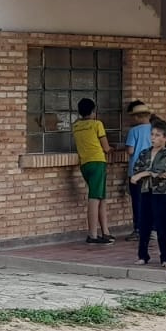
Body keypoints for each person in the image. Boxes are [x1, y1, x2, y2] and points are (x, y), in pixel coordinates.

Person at [130, 118, 166, 267]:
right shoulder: (145, 152)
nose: (153, 138)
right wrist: (145, 173)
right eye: (152, 135)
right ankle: (143, 255)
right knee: (144, 224)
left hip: (162, 193)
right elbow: (137, 169)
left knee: (163, 226)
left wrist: (144, 174)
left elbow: (162, 170)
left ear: (165, 138)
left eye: (157, 135)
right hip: (146, 191)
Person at [72, 98, 113, 244]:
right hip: (97, 162)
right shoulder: (97, 124)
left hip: (85, 164)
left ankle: (106, 232)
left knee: (101, 197)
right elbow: (106, 148)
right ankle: (93, 235)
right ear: (94, 111)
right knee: (95, 199)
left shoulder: (75, 126)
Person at [123, 101, 154, 239]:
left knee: (138, 201)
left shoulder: (134, 131)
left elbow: (130, 150)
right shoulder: (156, 129)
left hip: (136, 171)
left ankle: (139, 230)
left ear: (137, 117)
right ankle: (153, 230)